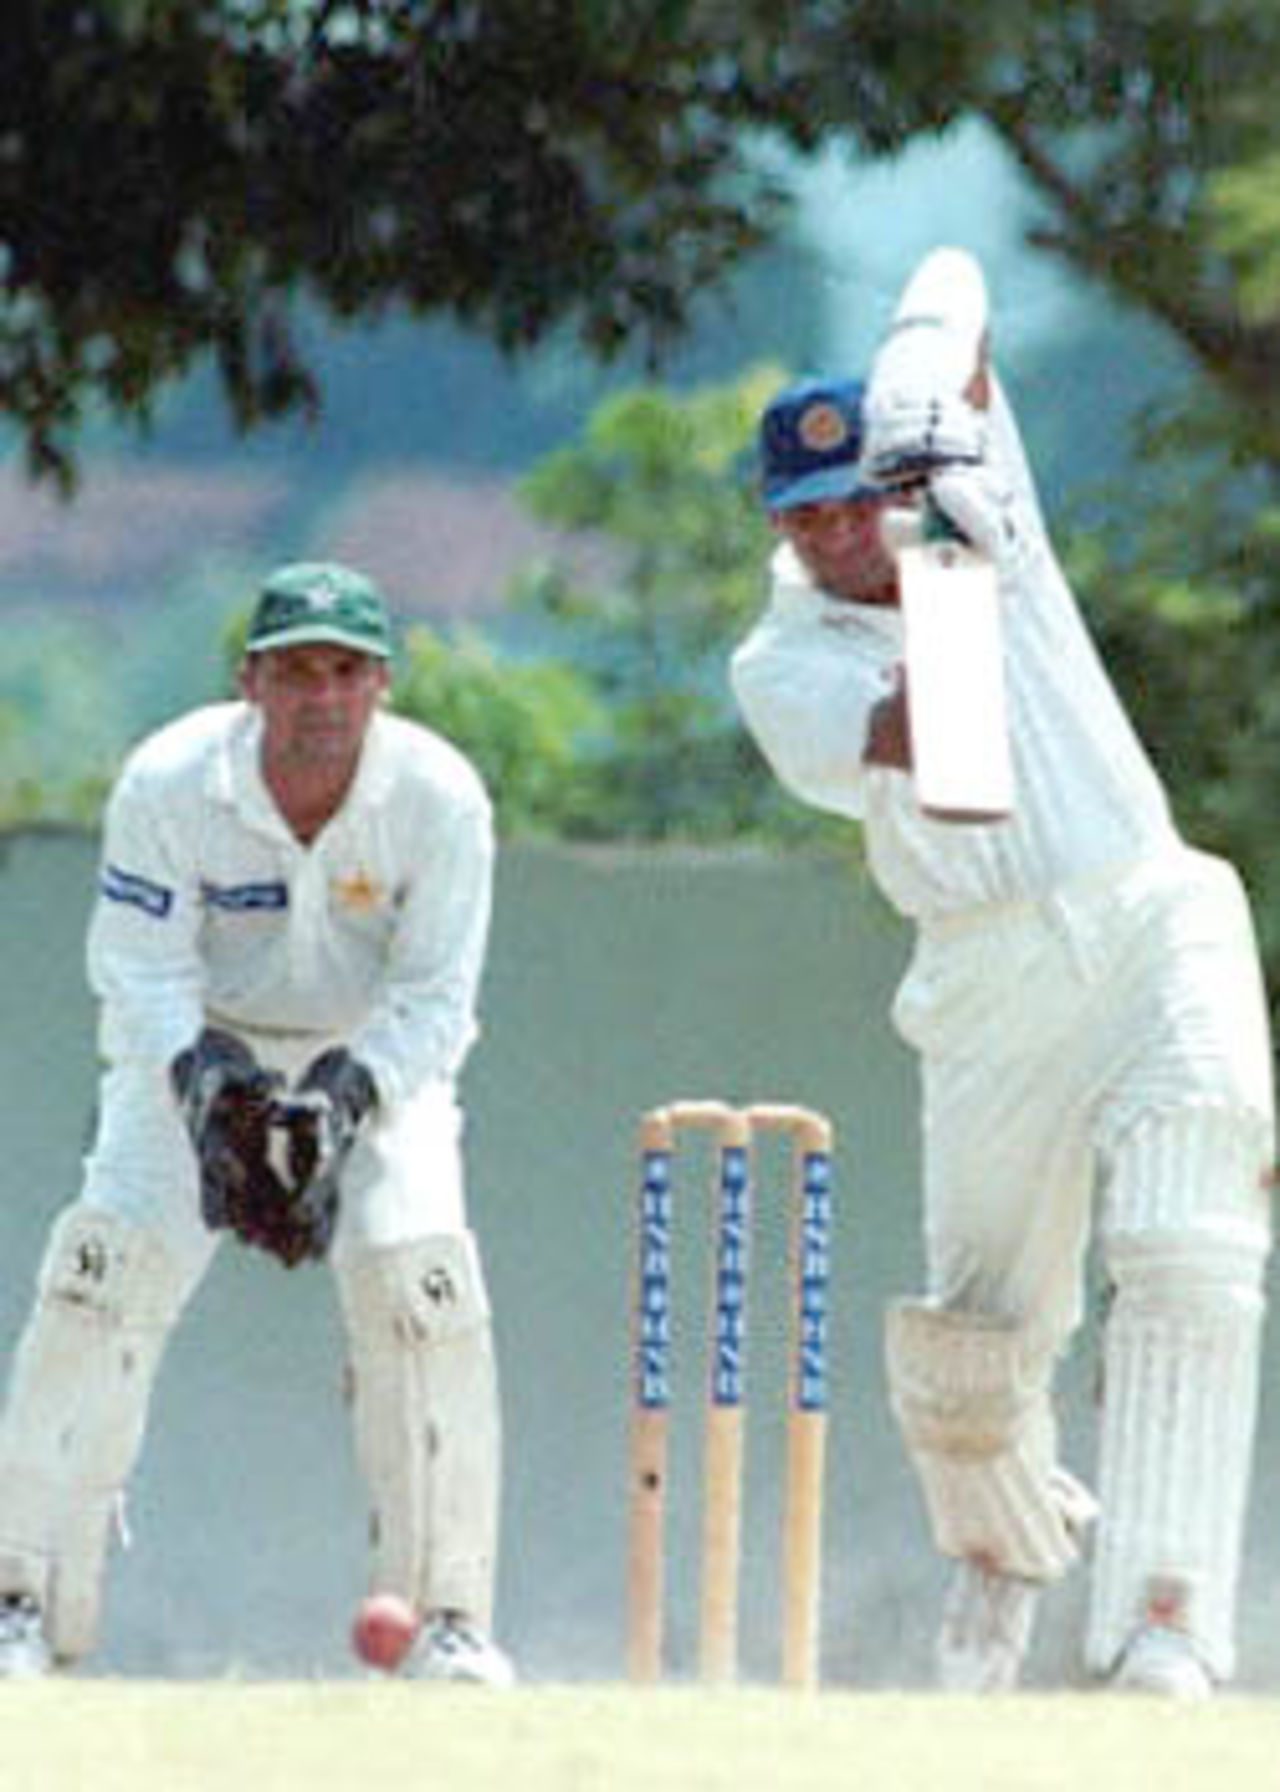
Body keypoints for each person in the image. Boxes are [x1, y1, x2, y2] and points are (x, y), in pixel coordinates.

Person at [730, 250, 1275, 1698]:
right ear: (779, 524)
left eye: (859, 498)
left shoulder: (961, 462)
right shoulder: (779, 663)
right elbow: (949, 759)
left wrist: (927, 387)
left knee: (1189, 1243)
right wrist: (957, 566)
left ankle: (1164, 1624)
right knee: (975, 1353)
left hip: (1148, 911)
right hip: (984, 977)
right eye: (811, 513)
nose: (844, 529)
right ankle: (1005, 1552)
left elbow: (954, 270)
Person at [0, 561, 514, 1685]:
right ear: (250, 682)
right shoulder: (171, 780)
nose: (321, 697)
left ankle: (447, 1617)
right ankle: (22, 1601)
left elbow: (436, 1000)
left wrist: (348, 1094)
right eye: (296, 672)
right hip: (191, 1050)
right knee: (96, 1282)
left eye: (345, 671)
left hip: (374, 1062)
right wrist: (205, 1082)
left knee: (422, 1289)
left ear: (381, 683)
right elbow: (136, 969)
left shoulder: (439, 798)